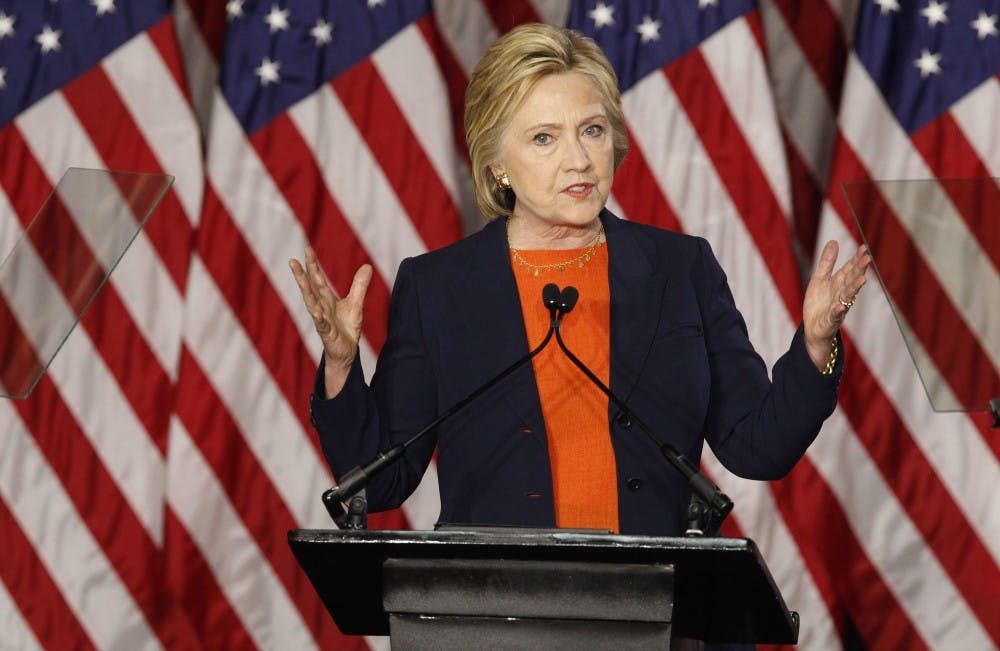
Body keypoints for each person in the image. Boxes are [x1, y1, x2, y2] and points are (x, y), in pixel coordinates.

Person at [290, 23, 869, 537]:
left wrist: (816, 345)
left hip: (659, 601)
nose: (580, 160)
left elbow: (757, 447)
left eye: (592, 130)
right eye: (544, 138)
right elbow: (380, 482)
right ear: (497, 164)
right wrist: (340, 366)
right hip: (498, 604)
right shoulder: (439, 288)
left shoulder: (681, 269)